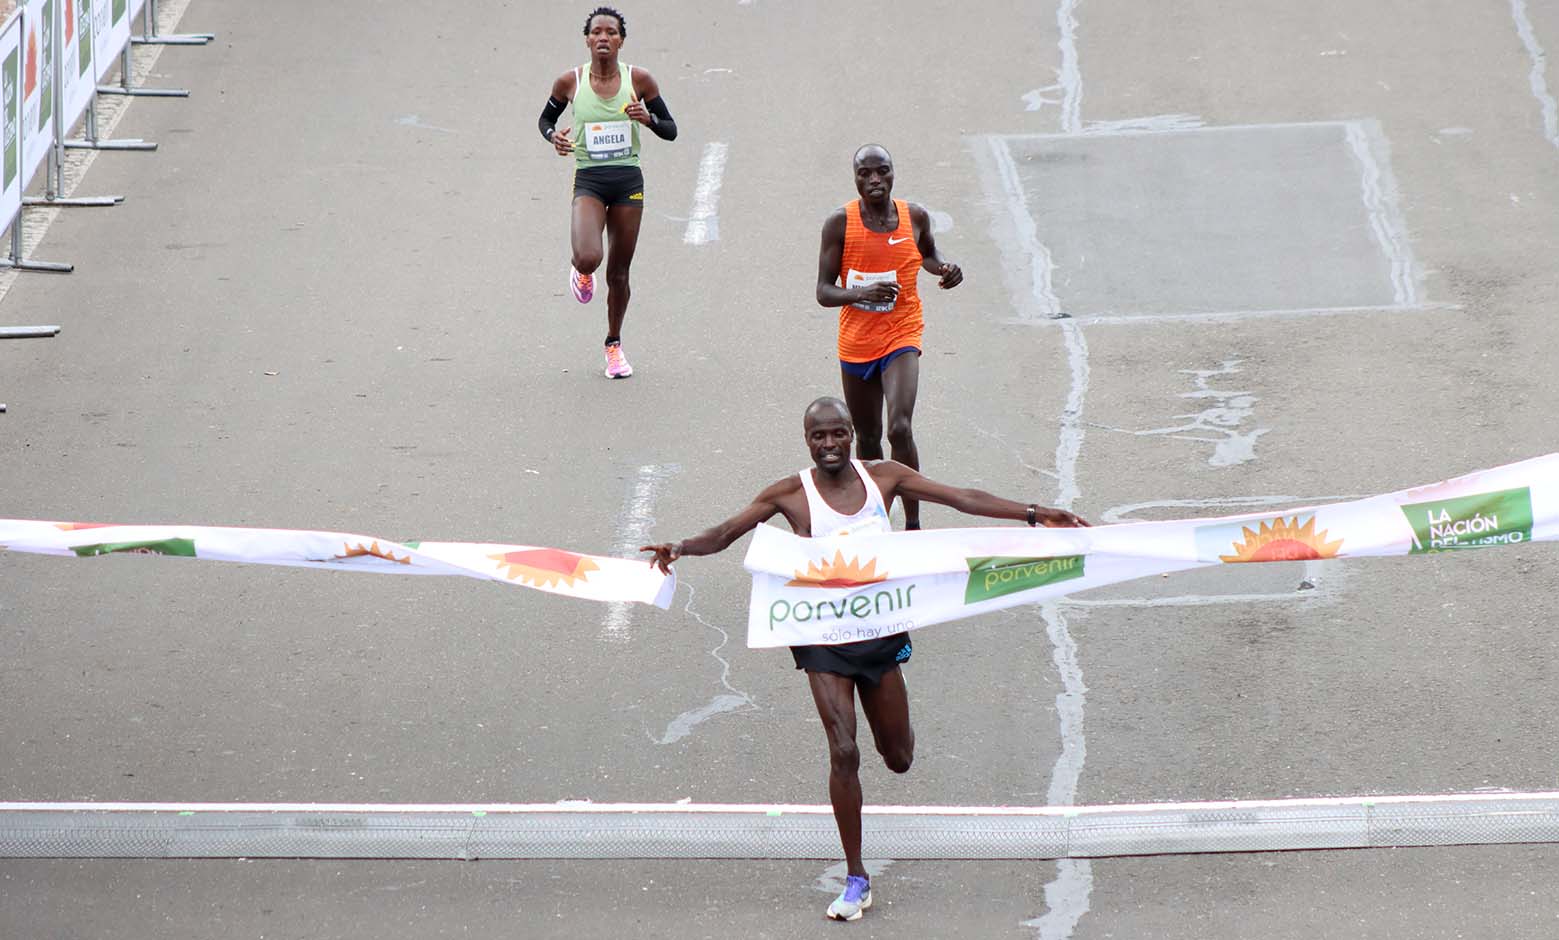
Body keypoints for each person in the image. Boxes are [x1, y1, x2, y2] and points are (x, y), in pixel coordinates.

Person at [641, 397, 1087, 922]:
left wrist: (1035, 515)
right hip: (821, 639)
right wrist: (682, 548)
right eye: (817, 437)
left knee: (898, 756)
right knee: (843, 749)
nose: (828, 445)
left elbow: (962, 498)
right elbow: (726, 533)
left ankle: (883, 769)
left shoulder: (884, 478)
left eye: (837, 434)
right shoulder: (790, 494)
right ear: (805, 440)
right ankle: (856, 877)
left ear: (853, 434)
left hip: (878, 632)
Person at [815, 145, 961, 529]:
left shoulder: (914, 216)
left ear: (893, 173)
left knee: (899, 427)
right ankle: (874, 521)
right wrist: (860, 293)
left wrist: (945, 268)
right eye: (865, 173)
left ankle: (912, 524)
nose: (875, 180)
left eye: (882, 172)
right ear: (855, 177)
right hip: (857, 342)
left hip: (901, 334)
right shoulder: (840, 224)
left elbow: (928, 254)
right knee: (867, 438)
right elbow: (823, 291)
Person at [537, 6, 678, 379]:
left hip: (628, 182)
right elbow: (545, 120)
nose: (603, 38)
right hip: (590, 179)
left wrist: (648, 119)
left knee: (619, 273)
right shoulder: (570, 82)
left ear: (621, 41)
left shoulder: (640, 80)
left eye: (611, 33)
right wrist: (555, 137)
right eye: (596, 32)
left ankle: (613, 345)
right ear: (587, 40)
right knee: (588, 257)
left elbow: (671, 129)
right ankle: (581, 272)